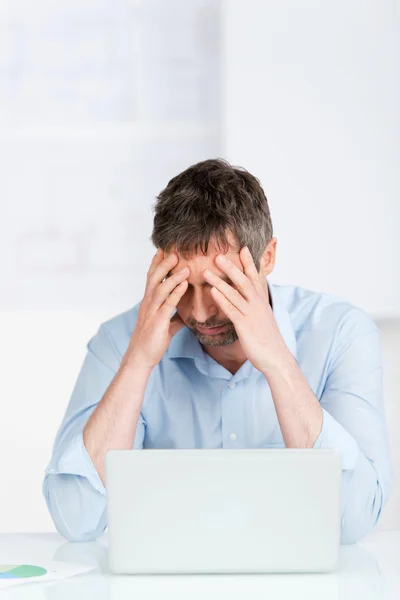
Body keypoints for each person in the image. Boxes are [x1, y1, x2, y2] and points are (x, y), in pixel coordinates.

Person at [43, 158, 392, 544]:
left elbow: (353, 520)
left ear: (268, 258)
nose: (199, 312)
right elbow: (76, 518)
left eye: (220, 284)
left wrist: (277, 362)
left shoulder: (341, 334)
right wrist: (138, 363)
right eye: (181, 285)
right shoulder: (120, 340)